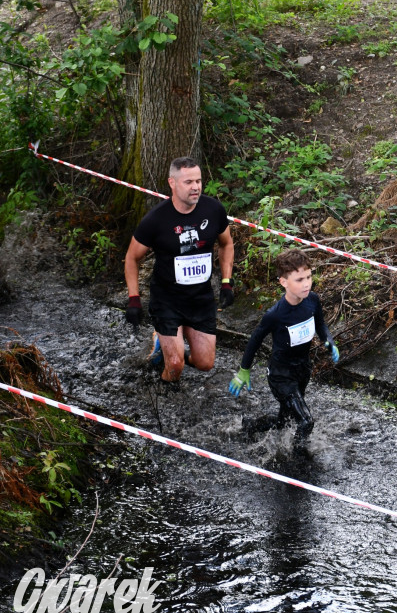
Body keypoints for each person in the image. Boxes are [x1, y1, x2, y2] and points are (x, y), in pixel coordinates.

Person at [124, 157, 234, 382]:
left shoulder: (213, 210)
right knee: (175, 366)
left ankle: (167, 349)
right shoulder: (156, 219)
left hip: (200, 298)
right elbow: (132, 258)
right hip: (167, 300)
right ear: (172, 183)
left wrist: (226, 282)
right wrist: (134, 298)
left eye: (198, 181)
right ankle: (165, 392)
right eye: (188, 182)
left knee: (205, 363)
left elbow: (227, 244)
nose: (196, 187)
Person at [229, 249, 339, 443]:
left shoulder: (312, 300)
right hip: (281, 375)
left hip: (302, 369)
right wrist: (244, 370)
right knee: (306, 421)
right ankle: (298, 458)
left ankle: (250, 426)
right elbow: (255, 340)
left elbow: (320, 324)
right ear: (284, 282)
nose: (306, 283)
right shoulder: (275, 315)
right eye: (299, 280)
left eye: (309, 277)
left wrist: (328, 341)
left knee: (285, 420)